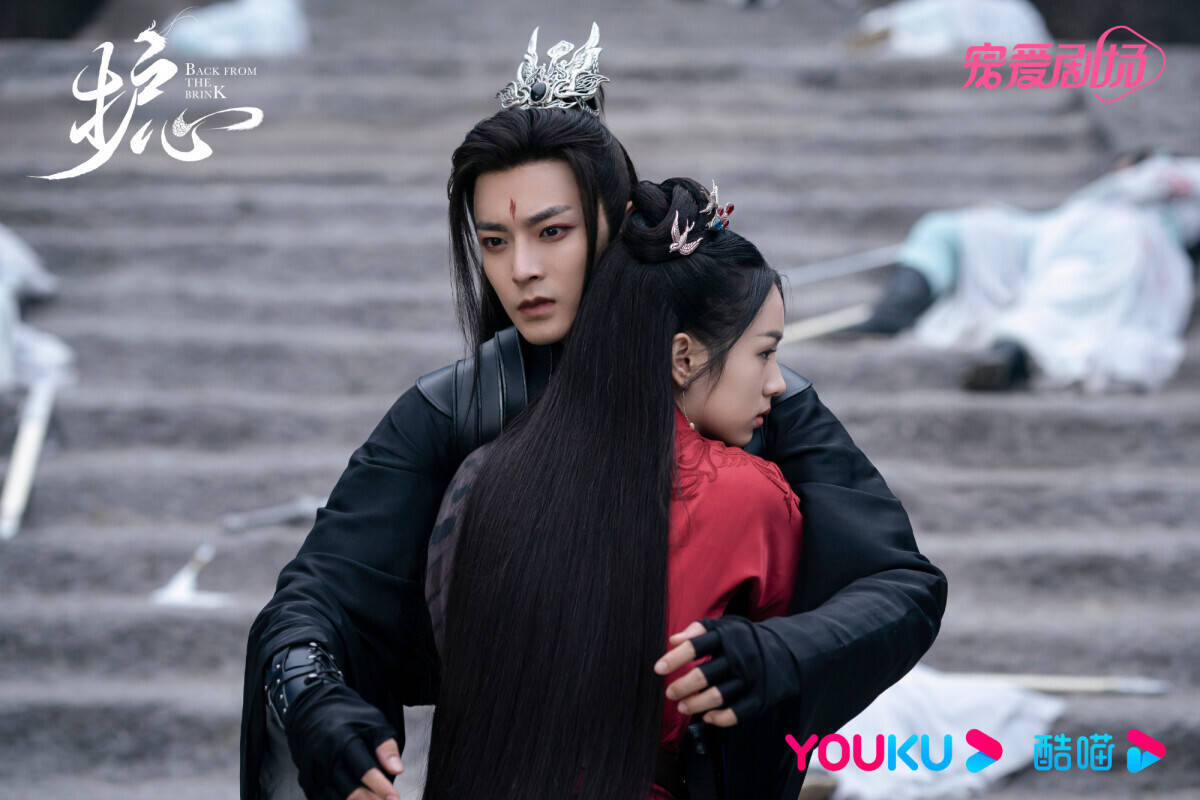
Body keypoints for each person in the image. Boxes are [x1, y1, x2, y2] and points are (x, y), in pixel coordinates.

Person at [241, 23, 947, 800]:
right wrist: (314, 698)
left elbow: (900, 585)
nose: (523, 269)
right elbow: (316, 597)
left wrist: (781, 652)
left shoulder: (749, 396)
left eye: (553, 232)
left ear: (617, 220)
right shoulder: (454, 410)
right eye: (494, 242)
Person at [421, 176, 801, 799]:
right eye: (765, 353)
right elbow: (783, 679)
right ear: (683, 357)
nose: (778, 384)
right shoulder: (751, 495)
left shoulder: (484, 472)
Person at [843, 149, 1200, 392]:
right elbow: (1049, 224)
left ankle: (1011, 352)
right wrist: (998, 211)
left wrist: (1156, 171)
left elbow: (1159, 186)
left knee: (1068, 283)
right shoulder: (1097, 196)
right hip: (1052, 234)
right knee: (949, 228)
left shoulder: (1168, 185)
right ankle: (896, 309)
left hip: (1119, 242)